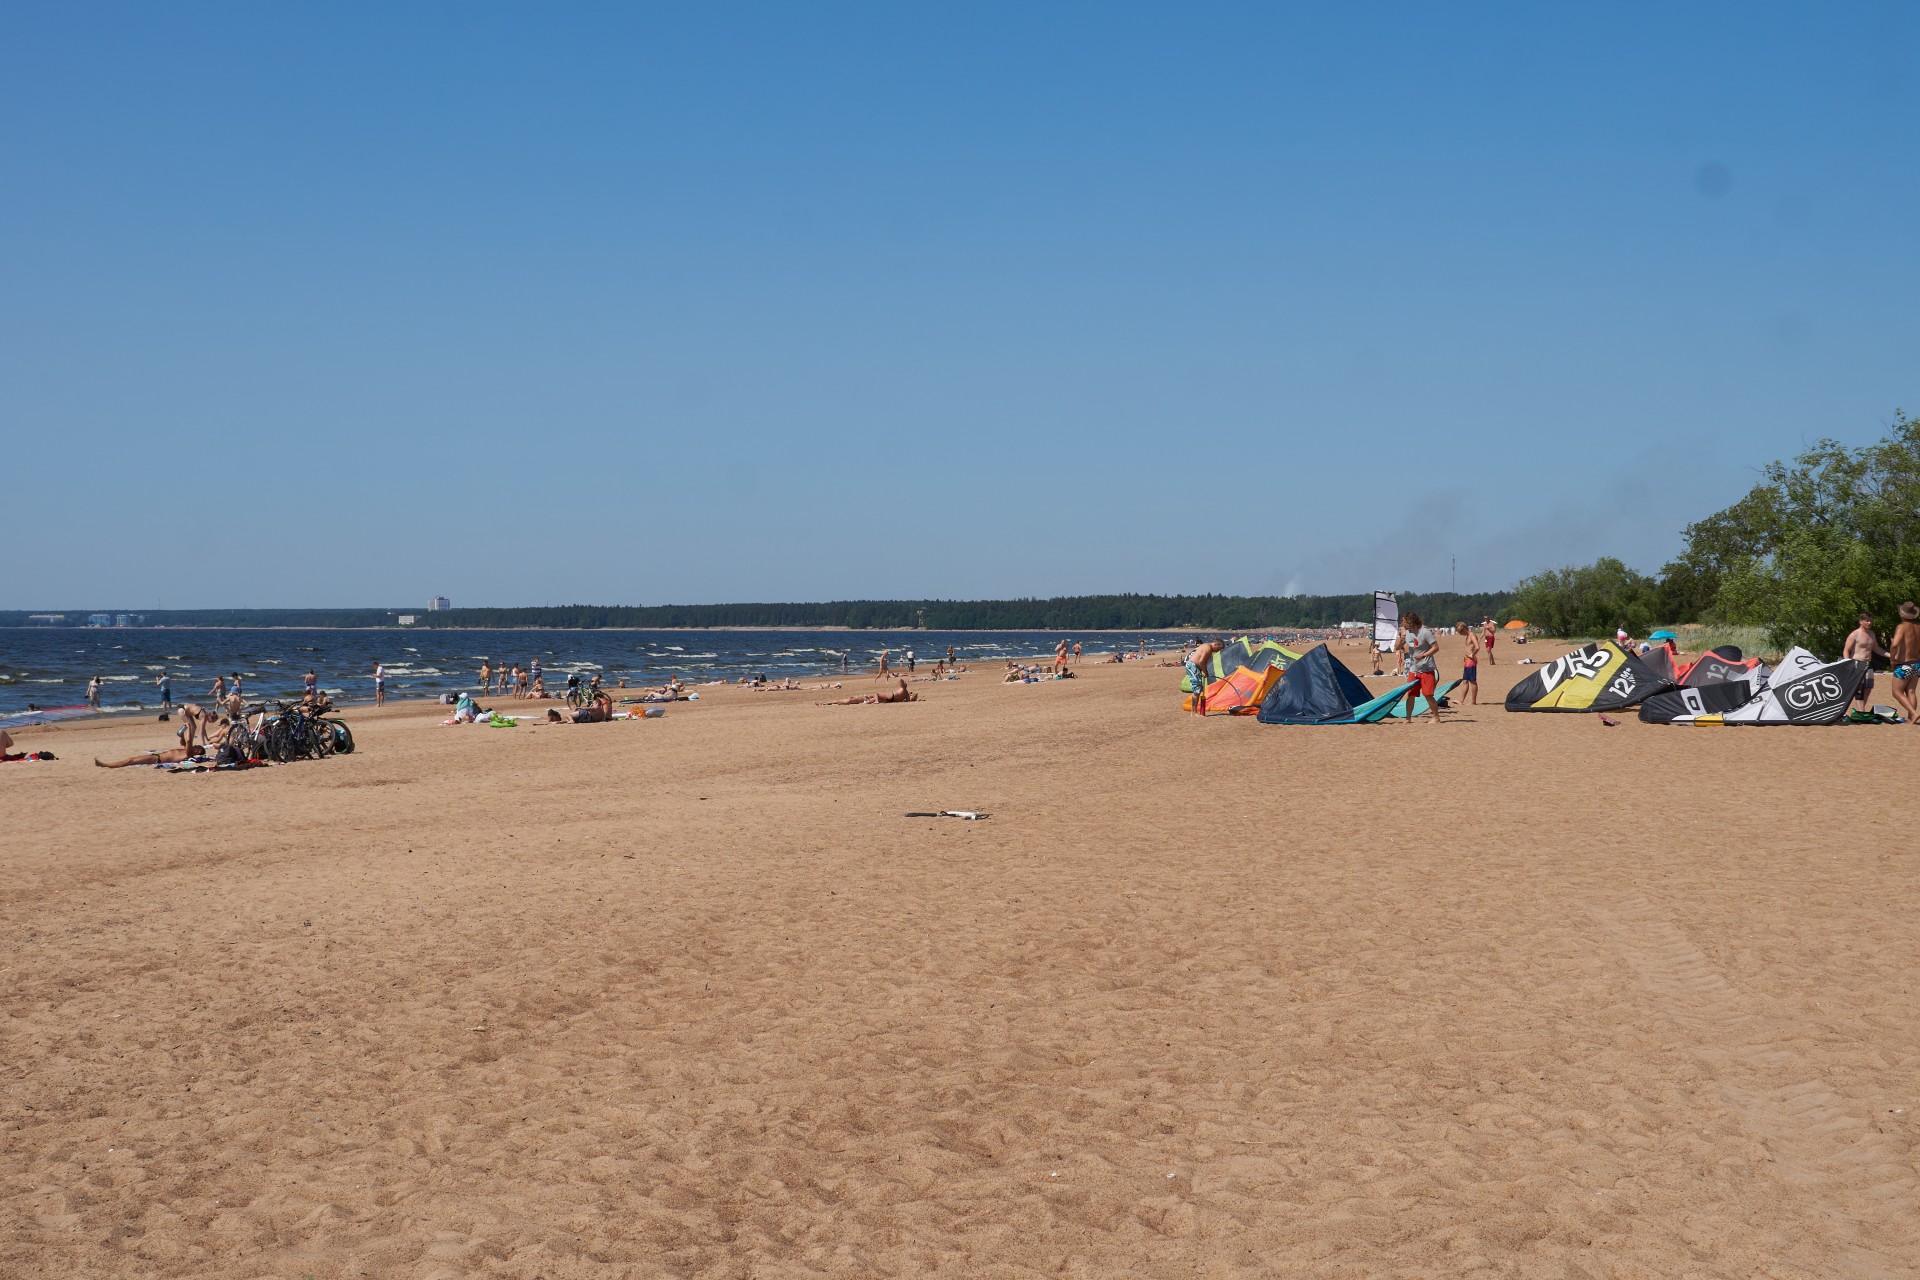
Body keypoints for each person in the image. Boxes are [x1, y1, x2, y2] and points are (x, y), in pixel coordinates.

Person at [1400, 612, 1442, 724]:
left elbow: (1436, 647)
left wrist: (1424, 655)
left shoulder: (1425, 633)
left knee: (1428, 694)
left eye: (1404, 621)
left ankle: (1436, 717)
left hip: (1427, 668)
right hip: (1413, 669)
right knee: (1411, 694)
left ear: (1411, 622)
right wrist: (1401, 639)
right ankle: (1408, 718)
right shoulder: (1407, 633)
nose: (1402, 623)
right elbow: (1397, 647)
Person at [1844, 612, 1888, 713]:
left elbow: (1877, 649)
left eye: (1870, 621)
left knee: (1868, 688)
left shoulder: (1871, 634)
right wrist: (1848, 664)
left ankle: (1861, 711)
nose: (1869, 623)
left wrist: (1891, 655)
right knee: (1859, 688)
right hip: (1857, 663)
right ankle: (1861, 711)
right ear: (1861, 621)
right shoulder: (1855, 634)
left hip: (1869, 664)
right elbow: (1846, 650)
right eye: (1867, 621)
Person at [1891, 601, 1920, 726]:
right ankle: (1911, 718)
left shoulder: (1901, 627)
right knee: (1911, 691)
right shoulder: (1918, 627)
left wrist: (1892, 659)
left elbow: (1895, 644)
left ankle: (1913, 713)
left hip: (1904, 664)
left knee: (1896, 692)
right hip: (1917, 663)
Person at [1184, 639, 1224, 715]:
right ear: (1216, 645)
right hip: (1192, 666)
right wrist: (1205, 672)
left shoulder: (1207, 647)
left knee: (1198, 689)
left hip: (1195, 667)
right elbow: (1201, 661)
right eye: (1218, 649)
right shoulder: (1208, 647)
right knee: (1197, 689)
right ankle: (1193, 712)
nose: (1217, 651)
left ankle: (1194, 710)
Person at [819, 678, 919, 705]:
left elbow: (900, 681)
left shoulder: (903, 690)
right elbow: (909, 700)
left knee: (851, 699)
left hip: (882, 698)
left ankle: (827, 703)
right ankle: (828, 703)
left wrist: (876, 701)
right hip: (886, 699)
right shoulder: (905, 695)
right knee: (852, 699)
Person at [1455, 622, 1480, 705]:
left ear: (1465, 629)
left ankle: (1473, 701)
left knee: (1472, 681)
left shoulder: (1472, 635)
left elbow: (1477, 647)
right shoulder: (1468, 636)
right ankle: (1461, 700)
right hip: (1467, 661)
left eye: (1461, 632)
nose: (1461, 634)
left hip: (1471, 661)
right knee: (1465, 681)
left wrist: (1472, 655)